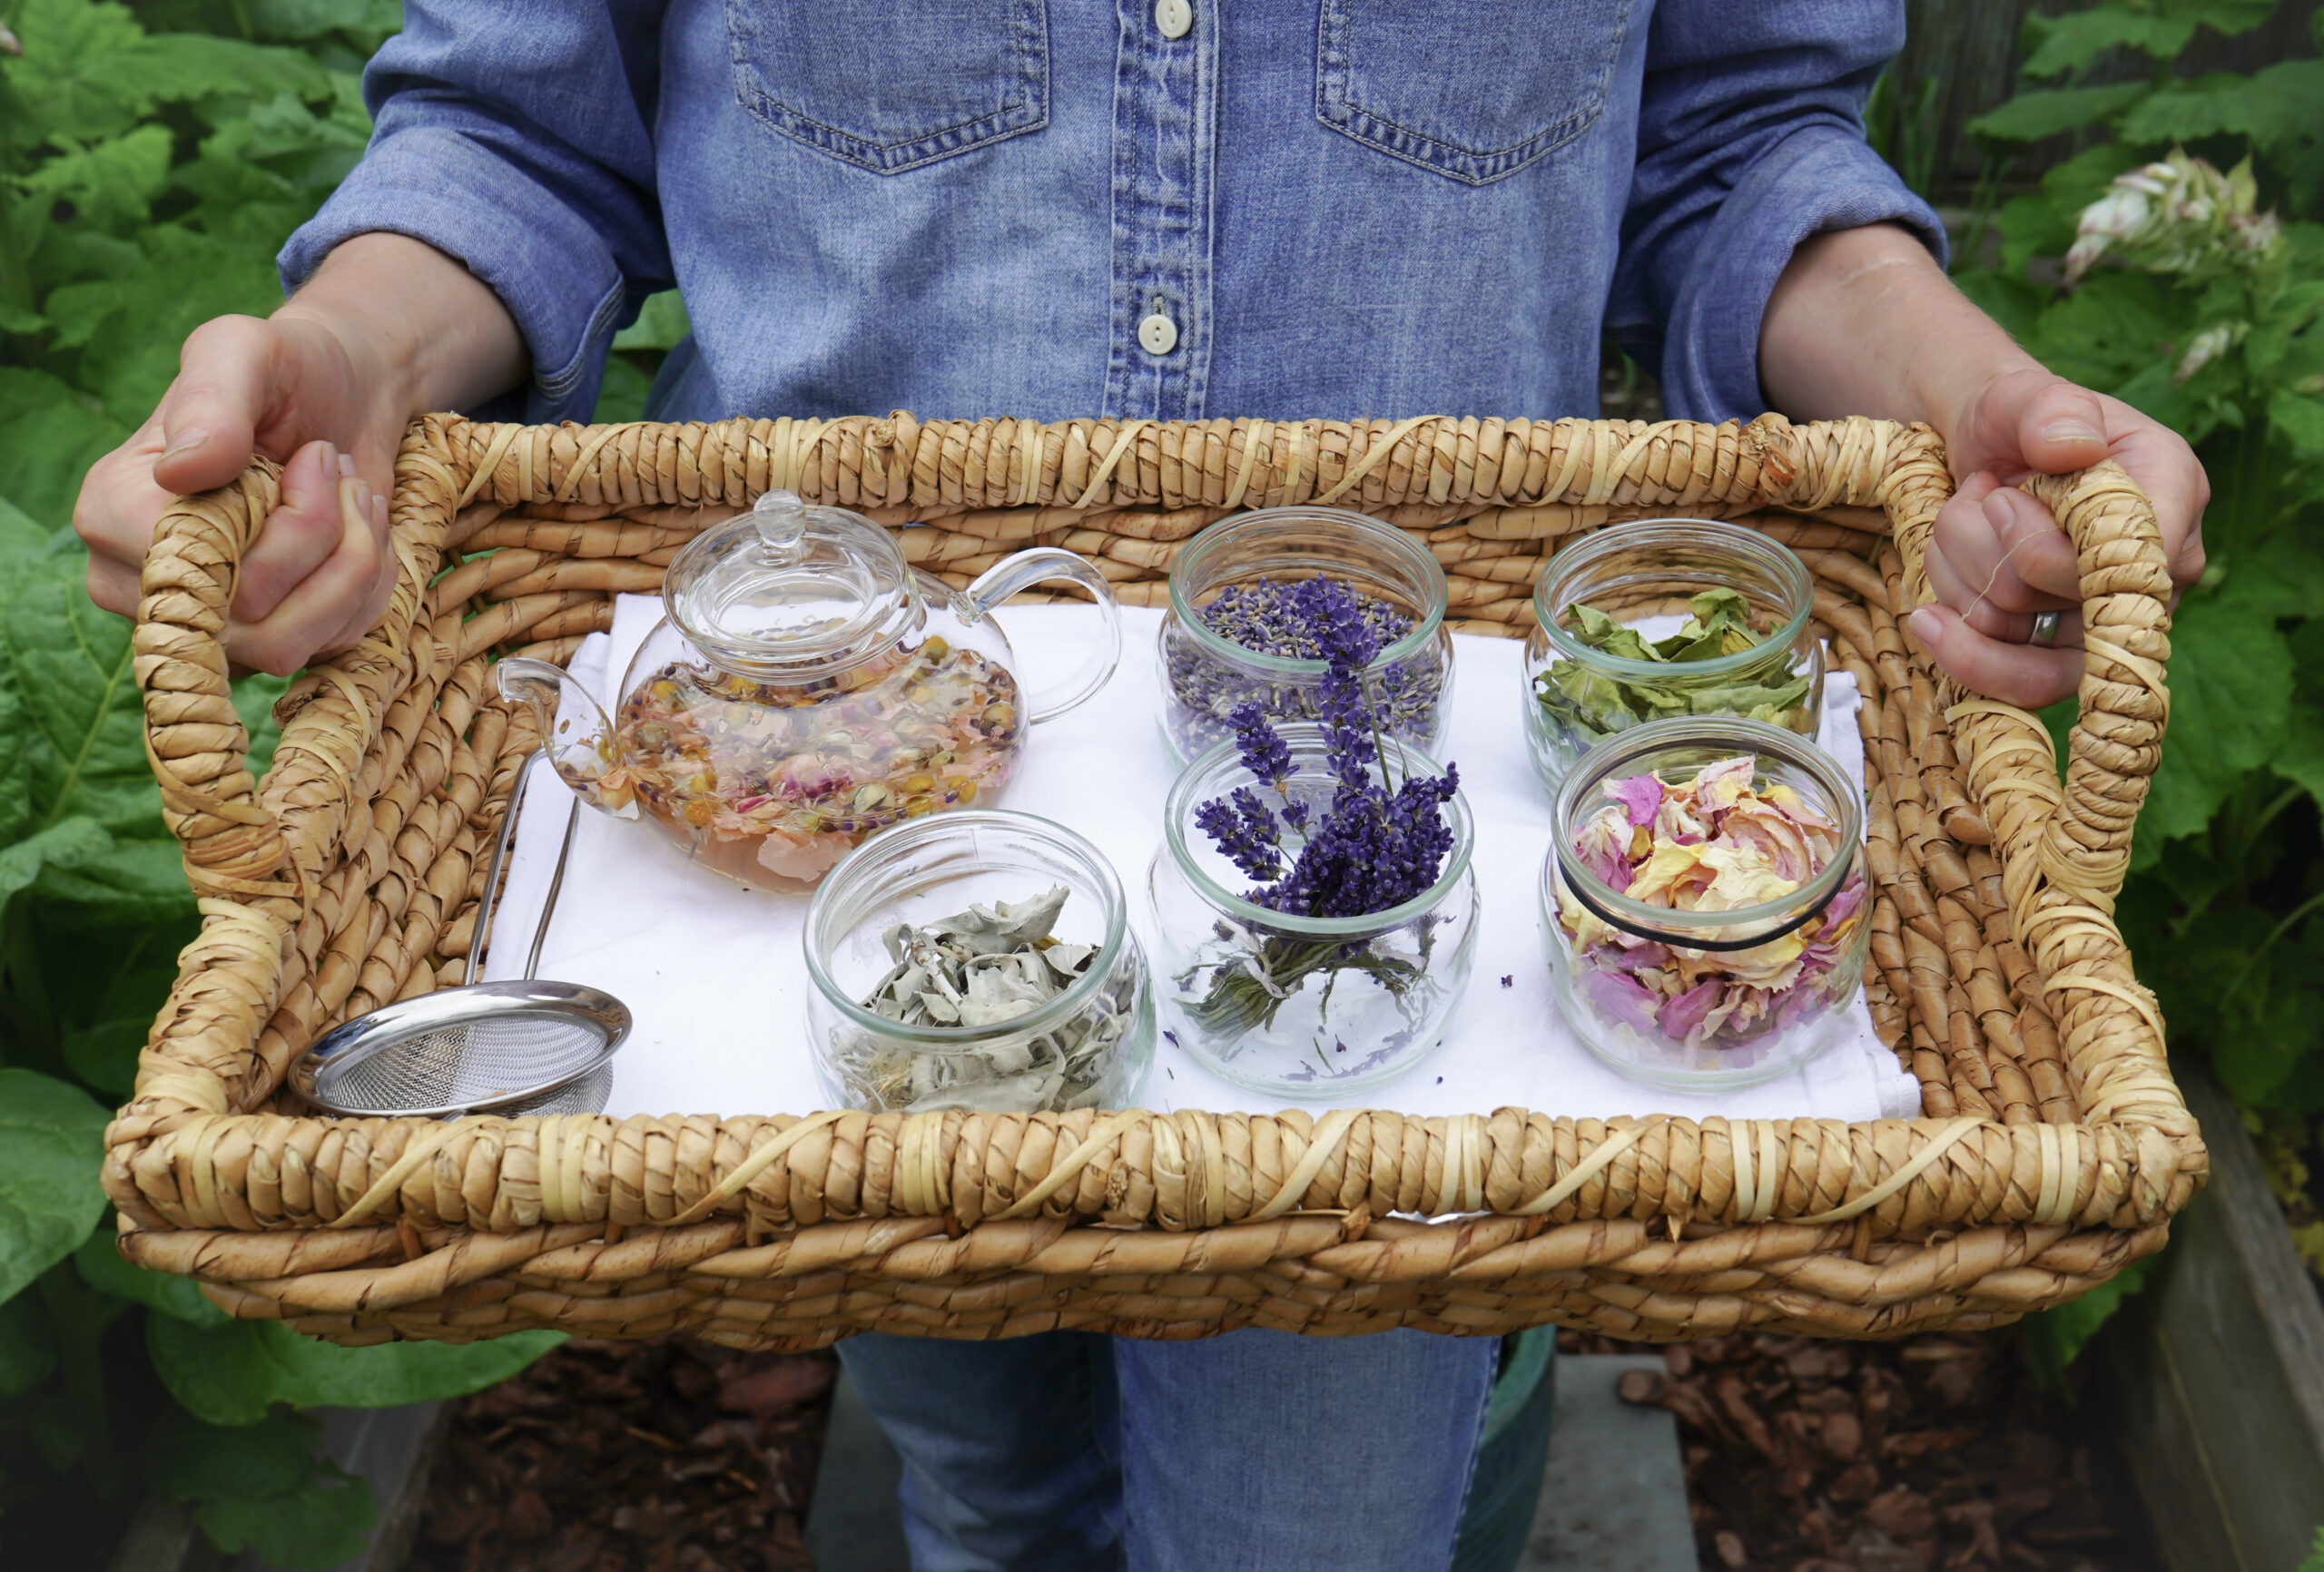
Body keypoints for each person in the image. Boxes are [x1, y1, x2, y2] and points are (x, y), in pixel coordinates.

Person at [74, 5, 2205, 1569]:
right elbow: (522, 134)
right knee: (978, 1461)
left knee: (1317, 1517)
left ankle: (1476, 1402)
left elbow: (1735, 141)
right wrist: (352, 363)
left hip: (1371, 860)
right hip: (843, 824)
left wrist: (1963, 391)